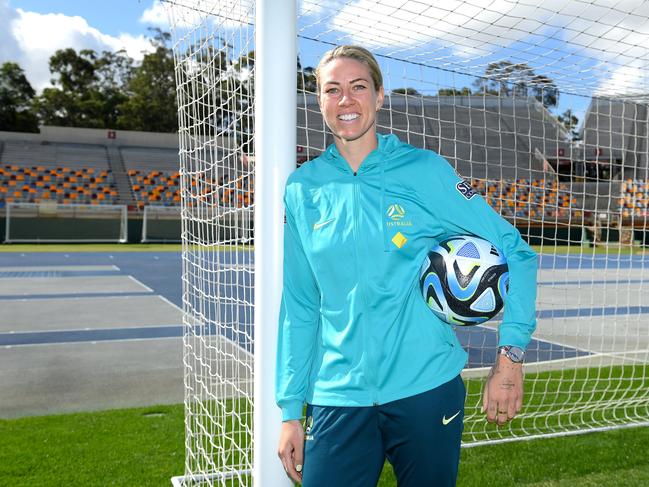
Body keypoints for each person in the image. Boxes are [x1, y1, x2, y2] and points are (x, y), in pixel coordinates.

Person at [275, 45, 537, 486]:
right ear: (319, 101)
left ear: (379, 97)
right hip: (338, 396)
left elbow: (517, 250)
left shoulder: (425, 171)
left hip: (426, 389)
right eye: (332, 90)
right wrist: (289, 410)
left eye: (358, 87)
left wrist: (509, 357)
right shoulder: (303, 189)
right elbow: (300, 304)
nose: (345, 100)